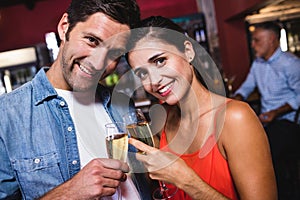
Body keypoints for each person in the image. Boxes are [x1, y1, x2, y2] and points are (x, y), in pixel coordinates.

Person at [0, 0, 148, 199]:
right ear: (64, 28)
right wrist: (70, 192)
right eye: (92, 41)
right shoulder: (7, 116)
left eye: (113, 53)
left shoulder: (121, 103)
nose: (97, 62)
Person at [126, 16, 277, 200]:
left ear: (188, 51)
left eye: (160, 61)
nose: (154, 81)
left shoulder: (235, 118)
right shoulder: (163, 117)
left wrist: (186, 180)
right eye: (142, 73)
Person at [233, 21, 300, 199]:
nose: (252, 44)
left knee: (266, 155)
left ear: (271, 40)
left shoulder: (290, 63)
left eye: (257, 40)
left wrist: (276, 112)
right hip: (266, 120)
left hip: (288, 121)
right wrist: (235, 100)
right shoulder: (258, 64)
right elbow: (246, 87)